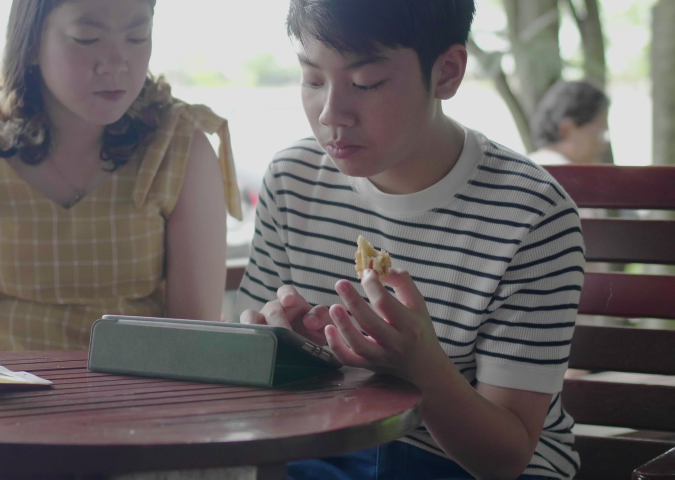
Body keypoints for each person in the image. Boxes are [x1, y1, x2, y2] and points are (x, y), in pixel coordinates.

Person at [236, 1, 584, 479]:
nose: (332, 115)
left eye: (366, 83)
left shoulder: (531, 214)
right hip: (328, 448)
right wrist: (292, 354)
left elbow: (506, 457)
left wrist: (423, 368)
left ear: (447, 72)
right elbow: (244, 369)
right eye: (313, 79)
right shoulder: (293, 178)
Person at [0, 0, 243, 350]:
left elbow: (193, 337)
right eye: (87, 38)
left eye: (137, 37)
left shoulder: (178, 146)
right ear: (31, 43)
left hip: (136, 400)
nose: (117, 63)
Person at [528, 80, 610, 166]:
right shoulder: (564, 174)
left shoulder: (529, 167)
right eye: (600, 132)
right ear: (567, 129)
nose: (604, 146)